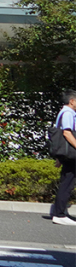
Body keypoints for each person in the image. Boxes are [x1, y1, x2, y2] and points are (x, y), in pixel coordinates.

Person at [50, 89, 76, 226]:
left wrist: (59, 158)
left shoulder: (64, 112)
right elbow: (66, 133)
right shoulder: (68, 113)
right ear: (72, 101)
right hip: (72, 154)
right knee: (67, 184)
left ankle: (59, 212)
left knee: (66, 182)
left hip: (68, 154)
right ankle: (59, 214)